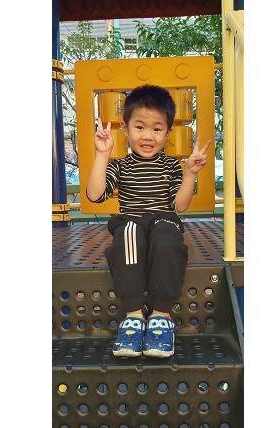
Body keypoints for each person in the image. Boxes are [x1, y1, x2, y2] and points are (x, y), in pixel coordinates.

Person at [86, 84, 211, 358]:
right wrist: (103, 155)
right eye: (139, 127)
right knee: (130, 232)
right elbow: (95, 195)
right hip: (130, 221)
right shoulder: (120, 165)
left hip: (163, 219)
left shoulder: (171, 166)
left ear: (167, 133)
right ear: (125, 128)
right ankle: (133, 316)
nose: (147, 136)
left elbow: (179, 206)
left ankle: (161, 316)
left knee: (166, 236)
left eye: (157, 129)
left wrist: (190, 174)